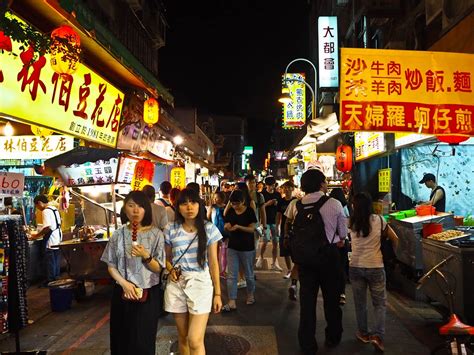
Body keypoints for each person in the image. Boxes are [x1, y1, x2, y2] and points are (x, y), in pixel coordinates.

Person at [284, 169, 347, 354]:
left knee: (307, 303)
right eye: (325, 182)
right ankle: (333, 337)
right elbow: (343, 233)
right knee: (332, 301)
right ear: (321, 184)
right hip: (329, 258)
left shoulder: (296, 205)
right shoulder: (334, 204)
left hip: (305, 260)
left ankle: (307, 343)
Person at [100, 191, 165, 355]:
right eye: (131, 206)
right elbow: (111, 265)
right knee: (121, 339)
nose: (136, 210)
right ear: (124, 209)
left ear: (147, 210)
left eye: (141, 206)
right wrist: (124, 284)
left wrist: (146, 256)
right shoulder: (118, 234)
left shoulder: (156, 234)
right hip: (122, 293)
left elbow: (159, 268)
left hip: (147, 294)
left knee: (143, 341)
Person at [163, 188, 222, 355]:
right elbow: (166, 258)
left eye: (193, 202)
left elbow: (213, 263)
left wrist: (218, 294)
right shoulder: (170, 228)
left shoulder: (209, 229)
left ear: (199, 205)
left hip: (200, 283)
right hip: (176, 284)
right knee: (182, 338)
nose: (189, 207)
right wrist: (170, 269)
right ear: (177, 207)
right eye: (184, 203)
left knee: (194, 340)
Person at [349, 192, 399, 352]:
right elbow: (395, 238)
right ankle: (378, 336)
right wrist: (394, 256)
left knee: (360, 303)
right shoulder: (379, 220)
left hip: (356, 266)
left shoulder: (351, 222)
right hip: (376, 266)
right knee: (379, 304)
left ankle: (363, 333)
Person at [222, 190, 257, 311]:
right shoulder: (231, 211)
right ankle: (232, 301)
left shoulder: (249, 211)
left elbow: (252, 229)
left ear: (243, 201)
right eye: (232, 203)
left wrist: (239, 227)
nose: (234, 206)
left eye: (237, 203)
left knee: (249, 273)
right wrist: (227, 226)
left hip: (247, 247)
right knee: (232, 275)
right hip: (233, 246)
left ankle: (250, 295)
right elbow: (226, 222)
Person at [30, 195, 63, 285]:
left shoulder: (46, 211)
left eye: (37, 206)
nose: (37, 208)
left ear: (40, 203)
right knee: (56, 259)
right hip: (58, 237)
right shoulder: (54, 209)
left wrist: (36, 235)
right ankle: (56, 278)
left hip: (51, 239)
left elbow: (47, 228)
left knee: (50, 260)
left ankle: (51, 281)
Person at [329, 187, 350, 306]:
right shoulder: (345, 208)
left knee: (331, 268)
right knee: (342, 268)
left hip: (331, 242)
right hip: (343, 240)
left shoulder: (329, 206)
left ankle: (333, 292)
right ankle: (342, 293)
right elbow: (346, 225)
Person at [257, 176, 282, 271]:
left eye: (273, 185)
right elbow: (259, 208)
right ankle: (261, 257)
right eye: (270, 185)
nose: (272, 187)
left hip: (274, 221)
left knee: (276, 242)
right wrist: (268, 203)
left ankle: (274, 262)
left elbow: (279, 210)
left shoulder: (277, 195)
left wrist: (278, 223)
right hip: (265, 221)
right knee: (266, 240)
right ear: (266, 185)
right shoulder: (261, 194)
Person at [276, 181, 296, 279]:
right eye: (285, 188)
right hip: (284, 228)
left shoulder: (296, 201)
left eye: (289, 187)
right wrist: (277, 227)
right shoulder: (281, 201)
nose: (287, 189)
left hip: (295, 229)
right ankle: (289, 270)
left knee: (295, 250)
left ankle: (296, 270)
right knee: (285, 250)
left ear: (292, 189)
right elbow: (278, 215)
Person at [207, 191, 228, 278]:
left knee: (223, 252)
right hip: (214, 232)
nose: (215, 199)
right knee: (215, 252)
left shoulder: (226, 207)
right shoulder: (212, 207)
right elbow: (208, 219)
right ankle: (215, 269)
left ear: (222, 199)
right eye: (214, 198)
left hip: (224, 232)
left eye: (217, 198)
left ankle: (222, 271)